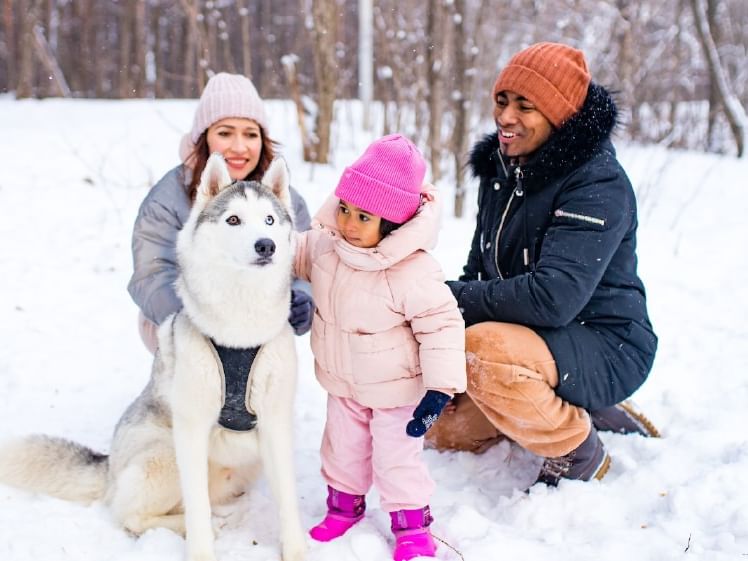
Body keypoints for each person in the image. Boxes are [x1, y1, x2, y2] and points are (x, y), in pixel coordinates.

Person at [426, 42, 659, 487]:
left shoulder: (597, 182)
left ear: (560, 113)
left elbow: (553, 299)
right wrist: (445, 357)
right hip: (530, 336)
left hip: (606, 343)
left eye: (525, 106)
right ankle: (558, 398)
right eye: (502, 101)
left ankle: (578, 446)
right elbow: (480, 272)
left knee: (481, 350)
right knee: (439, 433)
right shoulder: (502, 170)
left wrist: (444, 299)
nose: (506, 117)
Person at [294, 135, 466, 561]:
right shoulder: (324, 248)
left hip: (396, 394)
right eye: (345, 209)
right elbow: (288, 251)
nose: (349, 223)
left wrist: (441, 388)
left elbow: (442, 326)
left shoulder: (413, 271)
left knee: (396, 459)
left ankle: (411, 525)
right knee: (341, 447)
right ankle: (342, 505)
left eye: (364, 217)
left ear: (392, 222)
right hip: (343, 383)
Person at [128, 73, 314, 352]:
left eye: (250, 134)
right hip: (190, 322)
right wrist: (203, 319)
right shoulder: (169, 197)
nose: (239, 147)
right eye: (225, 133)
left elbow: (306, 263)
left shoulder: (281, 200)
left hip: (262, 322)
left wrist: (303, 297)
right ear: (204, 138)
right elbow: (152, 274)